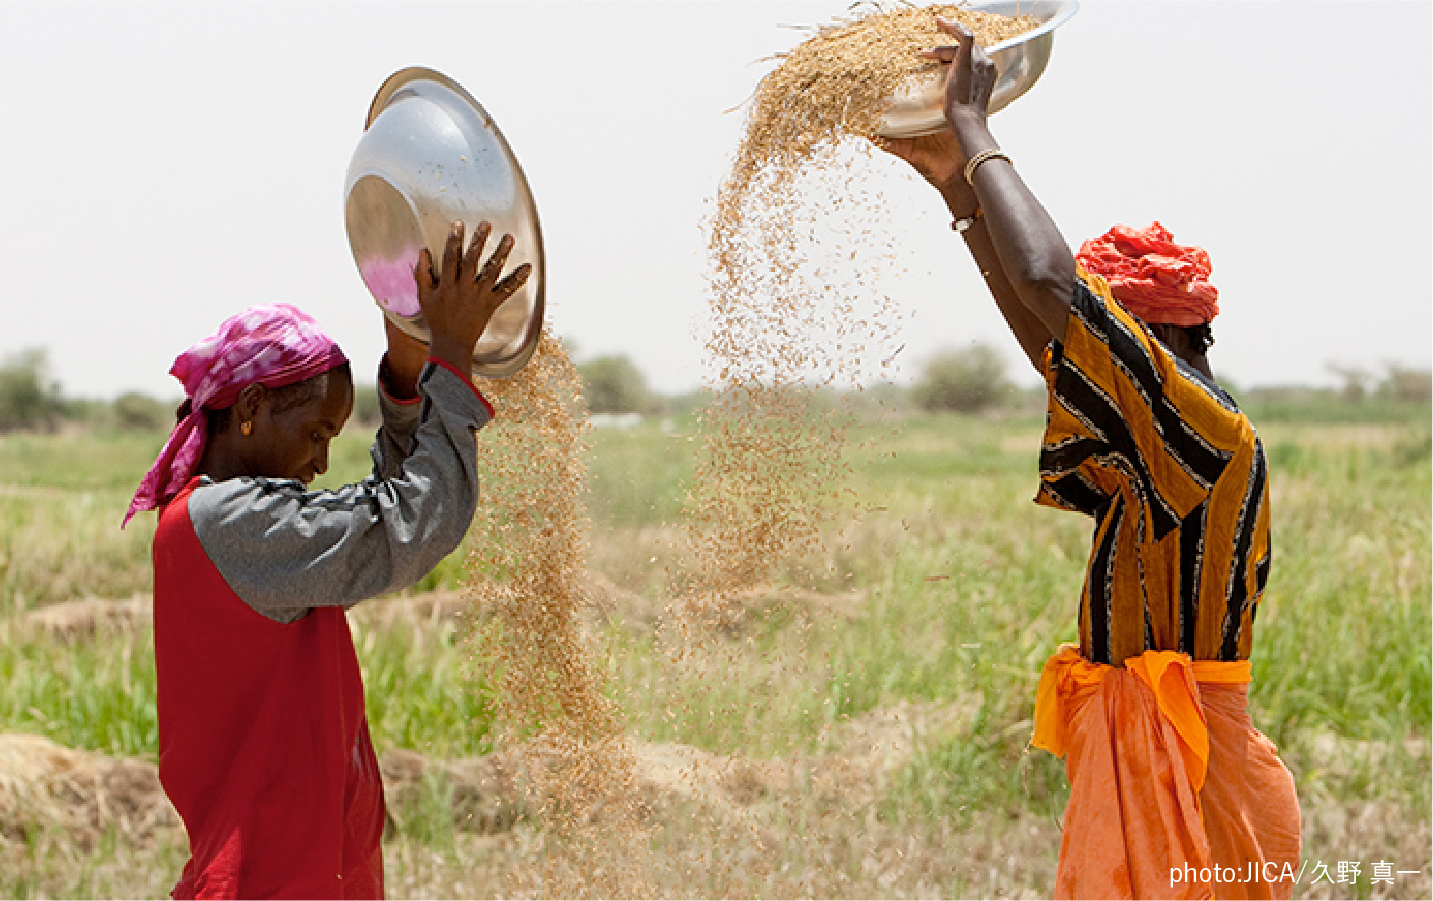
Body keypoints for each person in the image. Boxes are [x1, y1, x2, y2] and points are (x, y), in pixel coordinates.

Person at [879, 19, 1301, 900]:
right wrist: (958, 193)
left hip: (1194, 768)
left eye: (1121, 336)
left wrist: (976, 129)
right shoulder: (1152, 428)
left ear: (1171, 336)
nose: (1095, 355)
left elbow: (1048, 285)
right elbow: (1050, 337)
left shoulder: (1204, 428)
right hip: (1148, 748)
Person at [124, 221, 529, 899]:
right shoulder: (230, 521)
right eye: (315, 433)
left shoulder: (229, 518)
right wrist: (450, 358)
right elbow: (405, 524)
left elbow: (382, 507)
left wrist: (408, 370)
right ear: (251, 408)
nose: (319, 461)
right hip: (272, 878)